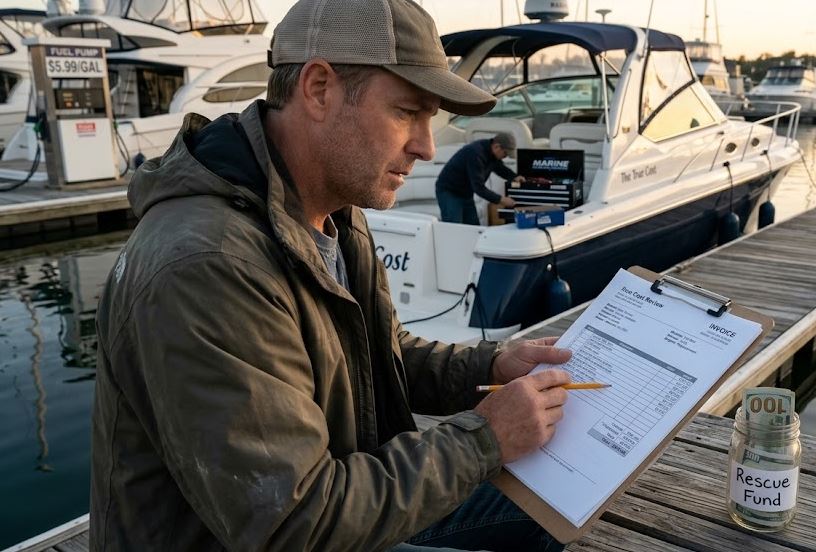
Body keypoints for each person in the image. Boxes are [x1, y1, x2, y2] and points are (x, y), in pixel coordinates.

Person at [89, 0, 574, 551]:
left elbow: (378, 350)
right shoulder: (209, 266)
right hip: (300, 527)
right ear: (319, 89)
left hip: (346, 504)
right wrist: (486, 440)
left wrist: (490, 367)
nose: (426, 146)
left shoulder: (331, 213)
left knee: (552, 503)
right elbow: (295, 522)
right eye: (406, 113)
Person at [435, 132, 524, 224]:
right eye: (505, 153)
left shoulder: (492, 154)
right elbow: (479, 188)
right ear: (497, 146)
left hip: (466, 193)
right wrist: (501, 200)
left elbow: (500, 168)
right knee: (454, 227)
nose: (505, 157)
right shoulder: (476, 154)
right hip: (450, 191)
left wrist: (514, 177)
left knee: (474, 228)